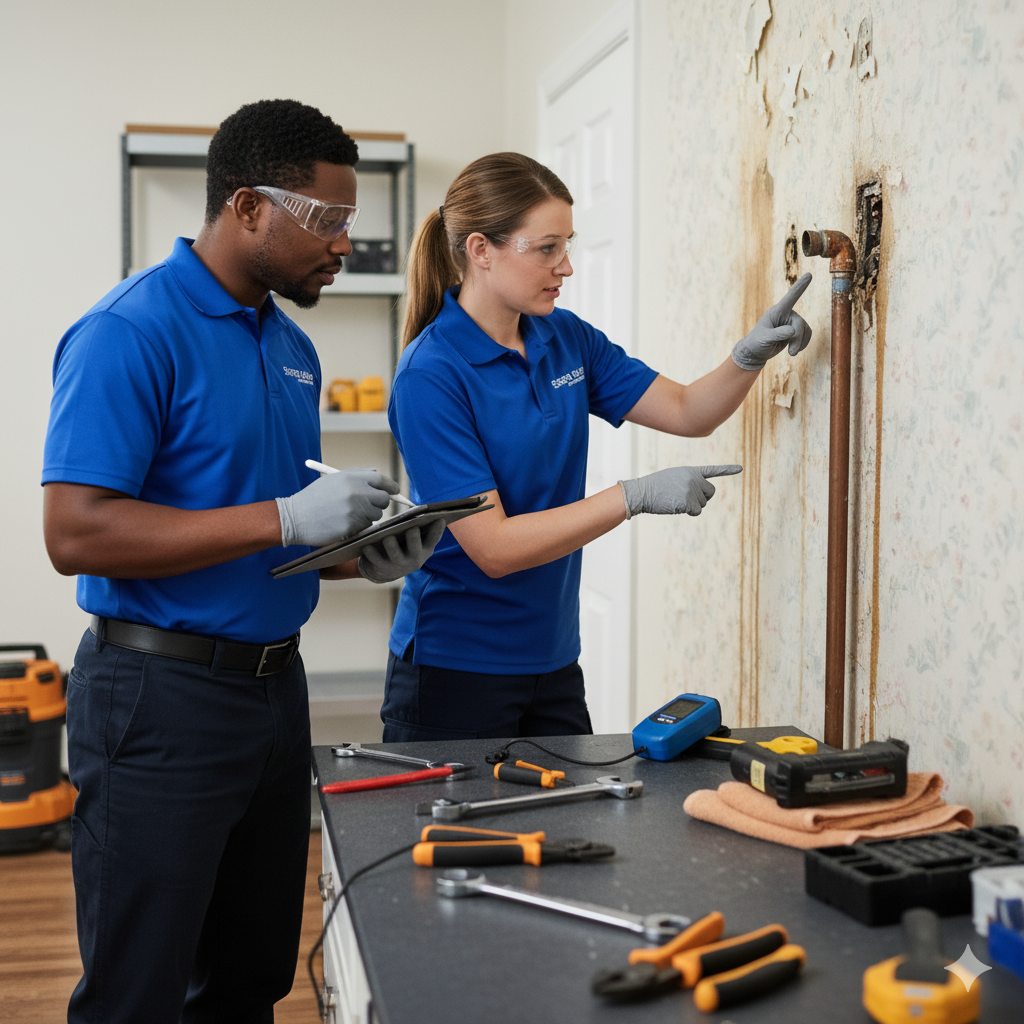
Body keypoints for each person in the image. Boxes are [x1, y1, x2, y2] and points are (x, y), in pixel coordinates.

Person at [41, 98, 442, 1024]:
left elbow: (273, 541)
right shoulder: (128, 333)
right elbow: (75, 534)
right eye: (329, 220)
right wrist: (281, 516)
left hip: (272, 696)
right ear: (249, 207)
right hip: (157, 699)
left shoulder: (291, 346)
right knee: (137, 992)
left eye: (353, 222)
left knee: (248, 980)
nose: (346, 244)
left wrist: (361, 557)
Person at [381, 152, 812, 742]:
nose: (566, 267)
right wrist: (631, 497)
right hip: (455, 667)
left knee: (564, 832)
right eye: (546, 249)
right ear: (481, 250)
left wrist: (748, 356)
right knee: (467, 838)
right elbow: (495, 548)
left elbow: (687, 411)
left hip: (553, 658)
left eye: (568, 245)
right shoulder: (431, 373)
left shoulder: (565, 338)